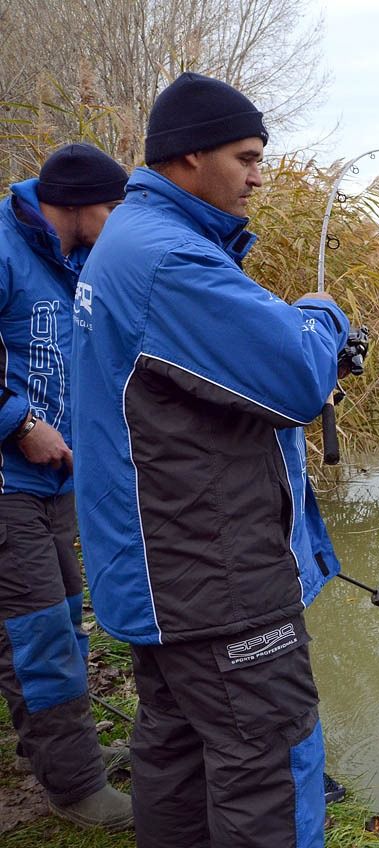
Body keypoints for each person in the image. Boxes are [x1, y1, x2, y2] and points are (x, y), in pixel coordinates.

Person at [71, 73, 350, 848]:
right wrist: (324, 313)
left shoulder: (131, 239)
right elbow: (297, 375)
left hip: (160, 574)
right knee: (267, 761)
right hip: (216, 581)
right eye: (248, 156)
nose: (260, 175)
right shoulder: (170, 261)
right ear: (190, 157)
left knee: (177, 750)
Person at [0, 143, 133, 829]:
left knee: (66, 624)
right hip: (6, 483)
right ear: (79, 204)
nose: (120, 222)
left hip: (54, 487)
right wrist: (19, 422)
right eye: (114, 208)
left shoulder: (75, 261)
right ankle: (76, 791)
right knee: (38, 634)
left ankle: (63, 756)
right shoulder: (3, 247)